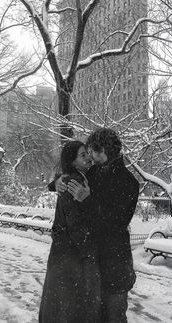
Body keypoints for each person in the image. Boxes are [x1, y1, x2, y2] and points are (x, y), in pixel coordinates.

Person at [55, 128, 139, 322]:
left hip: (115, 265)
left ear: (103, 150)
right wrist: (57, 181)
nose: (90, 155)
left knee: (114, 316)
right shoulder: (94, 173)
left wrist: (87, 200)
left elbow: (116, 223)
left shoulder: (128, 182)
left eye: (92, 150)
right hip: (92, 264)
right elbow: (72, 174)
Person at [39, 140, 101, 323]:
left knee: (59, 304)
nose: (88, 157)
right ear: (72, 161)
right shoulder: (75, 180)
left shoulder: (72, 177)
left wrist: (56, 181)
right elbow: (76, 224)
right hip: (71, 255)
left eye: (87, 153)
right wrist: (89, 253)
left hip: (63, 253)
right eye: (82, 155)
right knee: (70, 306)